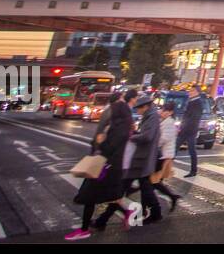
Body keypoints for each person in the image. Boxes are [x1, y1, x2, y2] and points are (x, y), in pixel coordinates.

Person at [66, 92, 133, 240]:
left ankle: (84, 230)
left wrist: (101, 141)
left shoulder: (119, 129)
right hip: (111, 167)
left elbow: (111, 148)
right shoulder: (121, 127)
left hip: (108, 166)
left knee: (90, 196)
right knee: (108, 196)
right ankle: (125, 213)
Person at [96, 93, 162, 229]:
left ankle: (102, 220)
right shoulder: (149, 116)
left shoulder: (153, 117)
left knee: (124, 189)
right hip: (140, 159)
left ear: (145, 107)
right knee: (138, 188)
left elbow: (148, 137)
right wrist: (136, 134)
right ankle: (102, 220)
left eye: (139, 108)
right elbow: (145, 135)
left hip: (142, 158)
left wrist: (131, 137)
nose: (137, 110)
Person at [150, 101, 181, 212]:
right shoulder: (164, 121)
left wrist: (152, 143)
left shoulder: (169, 123)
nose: (162, 112)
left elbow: (163, 139)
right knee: (155, 181)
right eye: (162, 110)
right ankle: (172, 197)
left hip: (164, 156)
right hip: (162, 155)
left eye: (165, 111)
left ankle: (170, 198)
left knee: (153, 181)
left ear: (170, 112)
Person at [176, 83, 205, 177]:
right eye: (190, 91)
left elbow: (193, 118)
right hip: (185, 130)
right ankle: (164, 168)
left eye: (192, 91)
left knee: (191, 150)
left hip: (190, 131)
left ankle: (193, 170)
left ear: (197, 92)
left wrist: (183, 128)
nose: (190, 92)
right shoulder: (191, 101)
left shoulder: (198, 103)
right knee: (174, 149)